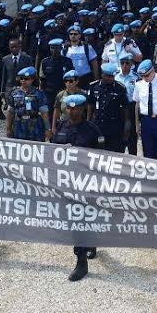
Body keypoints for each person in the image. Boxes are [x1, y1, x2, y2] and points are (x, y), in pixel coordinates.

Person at [51, 94, 105, 282]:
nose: (72, 112)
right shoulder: (61, 127)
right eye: (69, 108)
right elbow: (52, 152)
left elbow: (102, 158)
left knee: (80, 218)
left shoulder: (93, 130)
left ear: (83, 109)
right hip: (66, 182)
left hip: (85, 183)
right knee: (74, 219)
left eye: (76, 109)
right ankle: (88, 243)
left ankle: (81, 262)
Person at [88, 62, 130, 153]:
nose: (111, 78)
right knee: (99, 152)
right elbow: (90, 107)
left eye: (112, 76)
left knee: (115, 153)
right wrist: (88, 124)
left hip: (114, 127)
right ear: (102, 75)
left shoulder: (120, 88)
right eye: (109, 76)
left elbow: (126, 110)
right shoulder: (94, 87)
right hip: (99, 127)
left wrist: (126, 130)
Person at [5, 67, 51, 142]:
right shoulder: (14, 93)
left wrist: (47, 128)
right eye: (21, 78)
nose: (23, 81)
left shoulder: (39, 93)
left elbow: (44, 113)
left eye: (26, 79)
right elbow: (10, 112)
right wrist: (8, 129)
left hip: (35, 126)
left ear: (32, 79)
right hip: (18, 126)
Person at [39, 38, 75, 123]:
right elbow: (42, 79)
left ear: (61, 48)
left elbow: (71, 78)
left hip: (63, 92)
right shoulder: (45, 62)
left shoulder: (67, 61)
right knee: (49, 115)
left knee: (65, 115)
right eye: (52, 48)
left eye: (57, 48)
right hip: (49, 93)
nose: (54, 50)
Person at [116, 53, 140, 155]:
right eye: (122, 63)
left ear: (131, 64)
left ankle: (132, 157)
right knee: (118, 134)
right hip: (118, 108)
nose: (124, 65)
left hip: (131, 107)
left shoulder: (136, 77)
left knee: (132, 136)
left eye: (127, 63)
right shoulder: (115, 76)